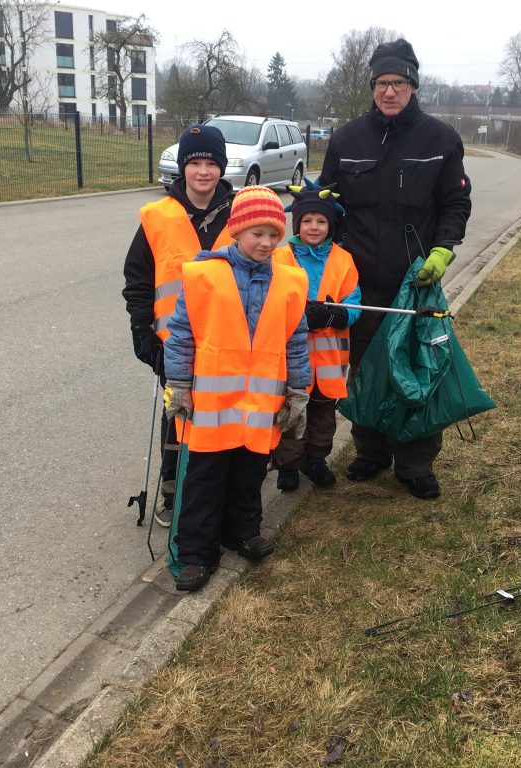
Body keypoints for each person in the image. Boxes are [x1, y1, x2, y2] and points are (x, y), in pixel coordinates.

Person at [319, 38, 472, 500]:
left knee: (418, 368)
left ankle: (415, 463)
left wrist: (443, 249)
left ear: (413, 85)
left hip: (416, 281)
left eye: (399, 83)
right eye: (382, 83)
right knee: (364, 368)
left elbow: (455, 202)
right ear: (372, 86)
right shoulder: (346, 139)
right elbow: (327, 205)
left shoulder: (440, 138)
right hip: (359, 282)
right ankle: (370, 450)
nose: (390, 91)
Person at [162, 186, 311, 592]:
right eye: (256, 233)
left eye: (273, 235)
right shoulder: (203, 274)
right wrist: (178, 385)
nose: (265, 243)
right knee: (204, 479)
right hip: (212, 404)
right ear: (235, 231)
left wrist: (299, 390)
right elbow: (181, 335)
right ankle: (196, 552)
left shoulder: (291, 281)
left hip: (261, 402)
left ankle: (242, 532)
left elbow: (296, 340)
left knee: (249, 473)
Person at [122, 125, 234, 527]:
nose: (203, 172)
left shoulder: (241, 214)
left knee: (226, 415)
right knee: (179, 416)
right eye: (194, 163)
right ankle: (172, 490)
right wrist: (142, 331)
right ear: (182, 168)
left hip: (231, 343)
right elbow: (138, 279)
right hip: (175, 345)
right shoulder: (158, 216)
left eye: (211, 163)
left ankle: (221, 491)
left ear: (221, 167)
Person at [271, 184, 362, 492]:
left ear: (330, 226)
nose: (314, 227)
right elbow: (270, 302)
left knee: (323, 415)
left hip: (329, 361)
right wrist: (299, 317)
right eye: (307, 220)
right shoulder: (280, 258)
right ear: (297, 224)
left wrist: (339, 315)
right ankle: (288, 465)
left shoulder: (343, 259)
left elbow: (354, 299)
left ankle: (316, 459)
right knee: (290, 412)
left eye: (321, 222)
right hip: (292, 359)